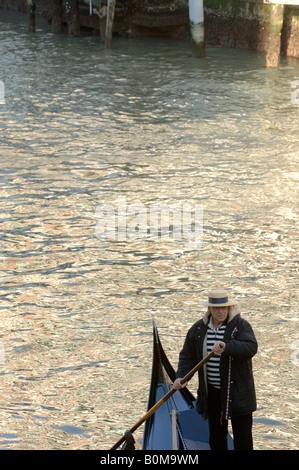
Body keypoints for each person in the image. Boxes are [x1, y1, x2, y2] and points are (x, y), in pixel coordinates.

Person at [173, 288, 258, 450]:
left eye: (224, 308)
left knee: (243, 440)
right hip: (213, 393)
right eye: (217, 308)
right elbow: (187, 356)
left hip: (239, 393)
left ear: (228, 308)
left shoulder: (240, 326)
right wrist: (181, 377)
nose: (221, 312)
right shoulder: (199, 329)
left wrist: (227, 346)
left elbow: (251, 348)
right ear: (209, 309)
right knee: (217, 438)